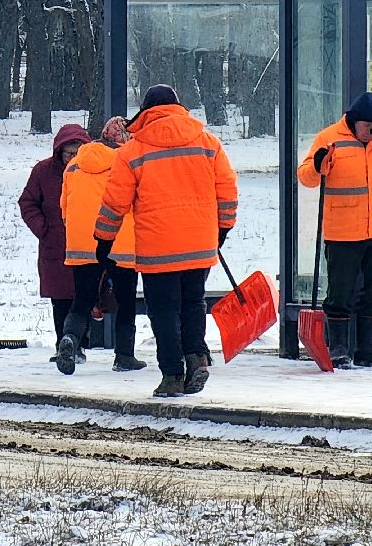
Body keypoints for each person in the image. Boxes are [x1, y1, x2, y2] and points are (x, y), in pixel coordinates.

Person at [95, 85, 238, 398]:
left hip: (158, 248)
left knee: (164, 311)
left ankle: (173, 375)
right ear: (178, 107)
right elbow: (227, 189)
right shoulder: (208, 142)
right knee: (192, 303)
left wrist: (103, 239)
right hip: (200, 244)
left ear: (145, 112)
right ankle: (197, 357)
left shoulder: (134, 151)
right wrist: (222, 229)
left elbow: (114, 202)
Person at [297, 91, 372, 370]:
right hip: (343, 231)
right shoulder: (330, 137)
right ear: (354, 121)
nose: (370, 133)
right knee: (341, 292)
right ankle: (338, 347)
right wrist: (318, 164)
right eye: (367, 127)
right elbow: (305, 176)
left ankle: (367, 347)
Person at [56, 116, 147, 375]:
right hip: (120, 240)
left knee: (82, 299)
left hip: (82, 242)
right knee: (126, 300)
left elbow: (64, 207)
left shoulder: (74, 164)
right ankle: (124, 356)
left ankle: (71, 339)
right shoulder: (127, 163)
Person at [18, 123, 92, 357]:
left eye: (78, 152)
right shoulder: (43, 172)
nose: (73, 157)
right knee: (60, 299)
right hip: (55, 245)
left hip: (87, 243)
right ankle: (65, 344)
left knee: (85, 296)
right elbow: (27, 203)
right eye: (69, 152)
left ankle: (78, 343)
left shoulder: (92, 170)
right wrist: (44, 229)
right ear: (59, 151)